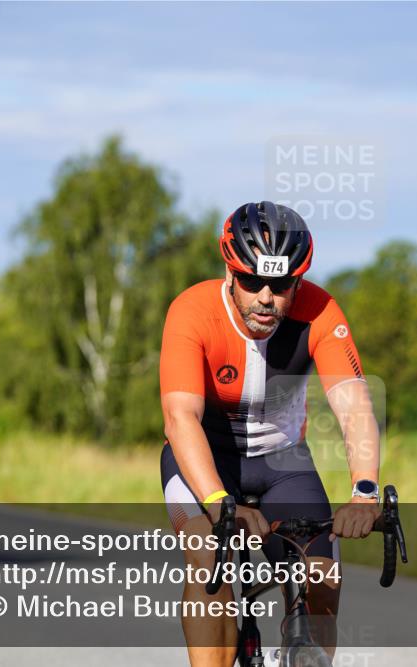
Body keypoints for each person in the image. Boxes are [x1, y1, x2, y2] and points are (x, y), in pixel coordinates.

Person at [159, 201, 382, 667]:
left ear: (297, 282)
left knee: (321, 577)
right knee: (209, 560)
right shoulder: (192, 310)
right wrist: (219, 503)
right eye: (251, 281)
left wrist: (364, 493)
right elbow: (181, 418)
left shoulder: (321, 311)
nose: (265, 297)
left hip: (283, 463)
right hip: (207, 459)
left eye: (280, 286)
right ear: (229, 271)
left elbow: (354, 408)